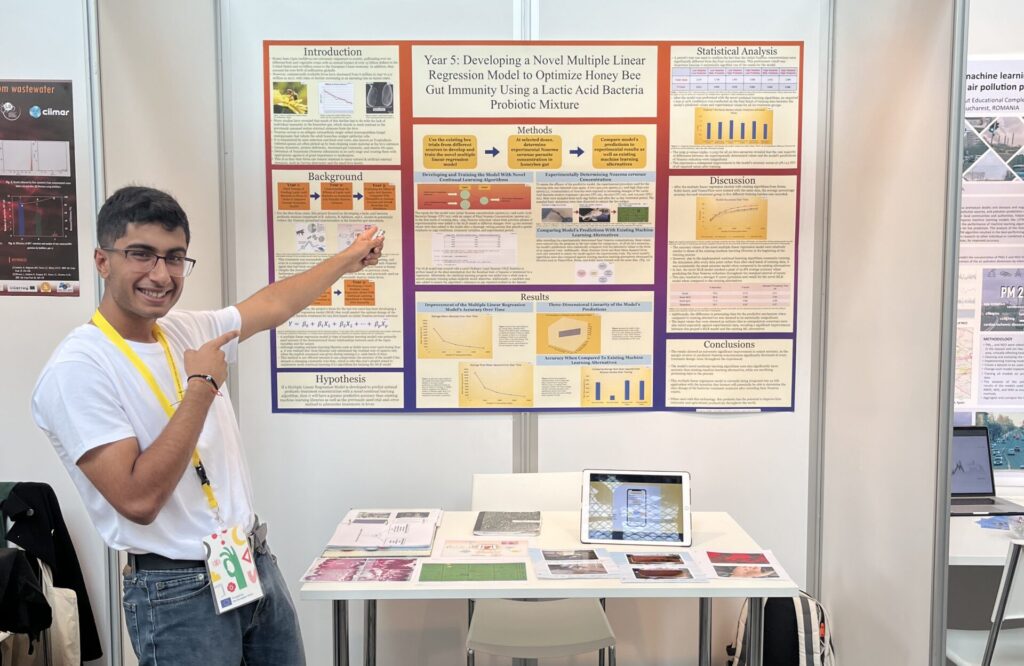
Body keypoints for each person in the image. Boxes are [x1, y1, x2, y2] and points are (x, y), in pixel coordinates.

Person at [31, 186, 384, 665]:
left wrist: (347, 260)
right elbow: (138, 500)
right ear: (102, 260)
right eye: (142, 255)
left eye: (175, 258)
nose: (161, 275)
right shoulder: (78, 369)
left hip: (246, 562)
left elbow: (273, 304)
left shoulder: (183, 329)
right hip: (174, 589)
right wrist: (200, 385)